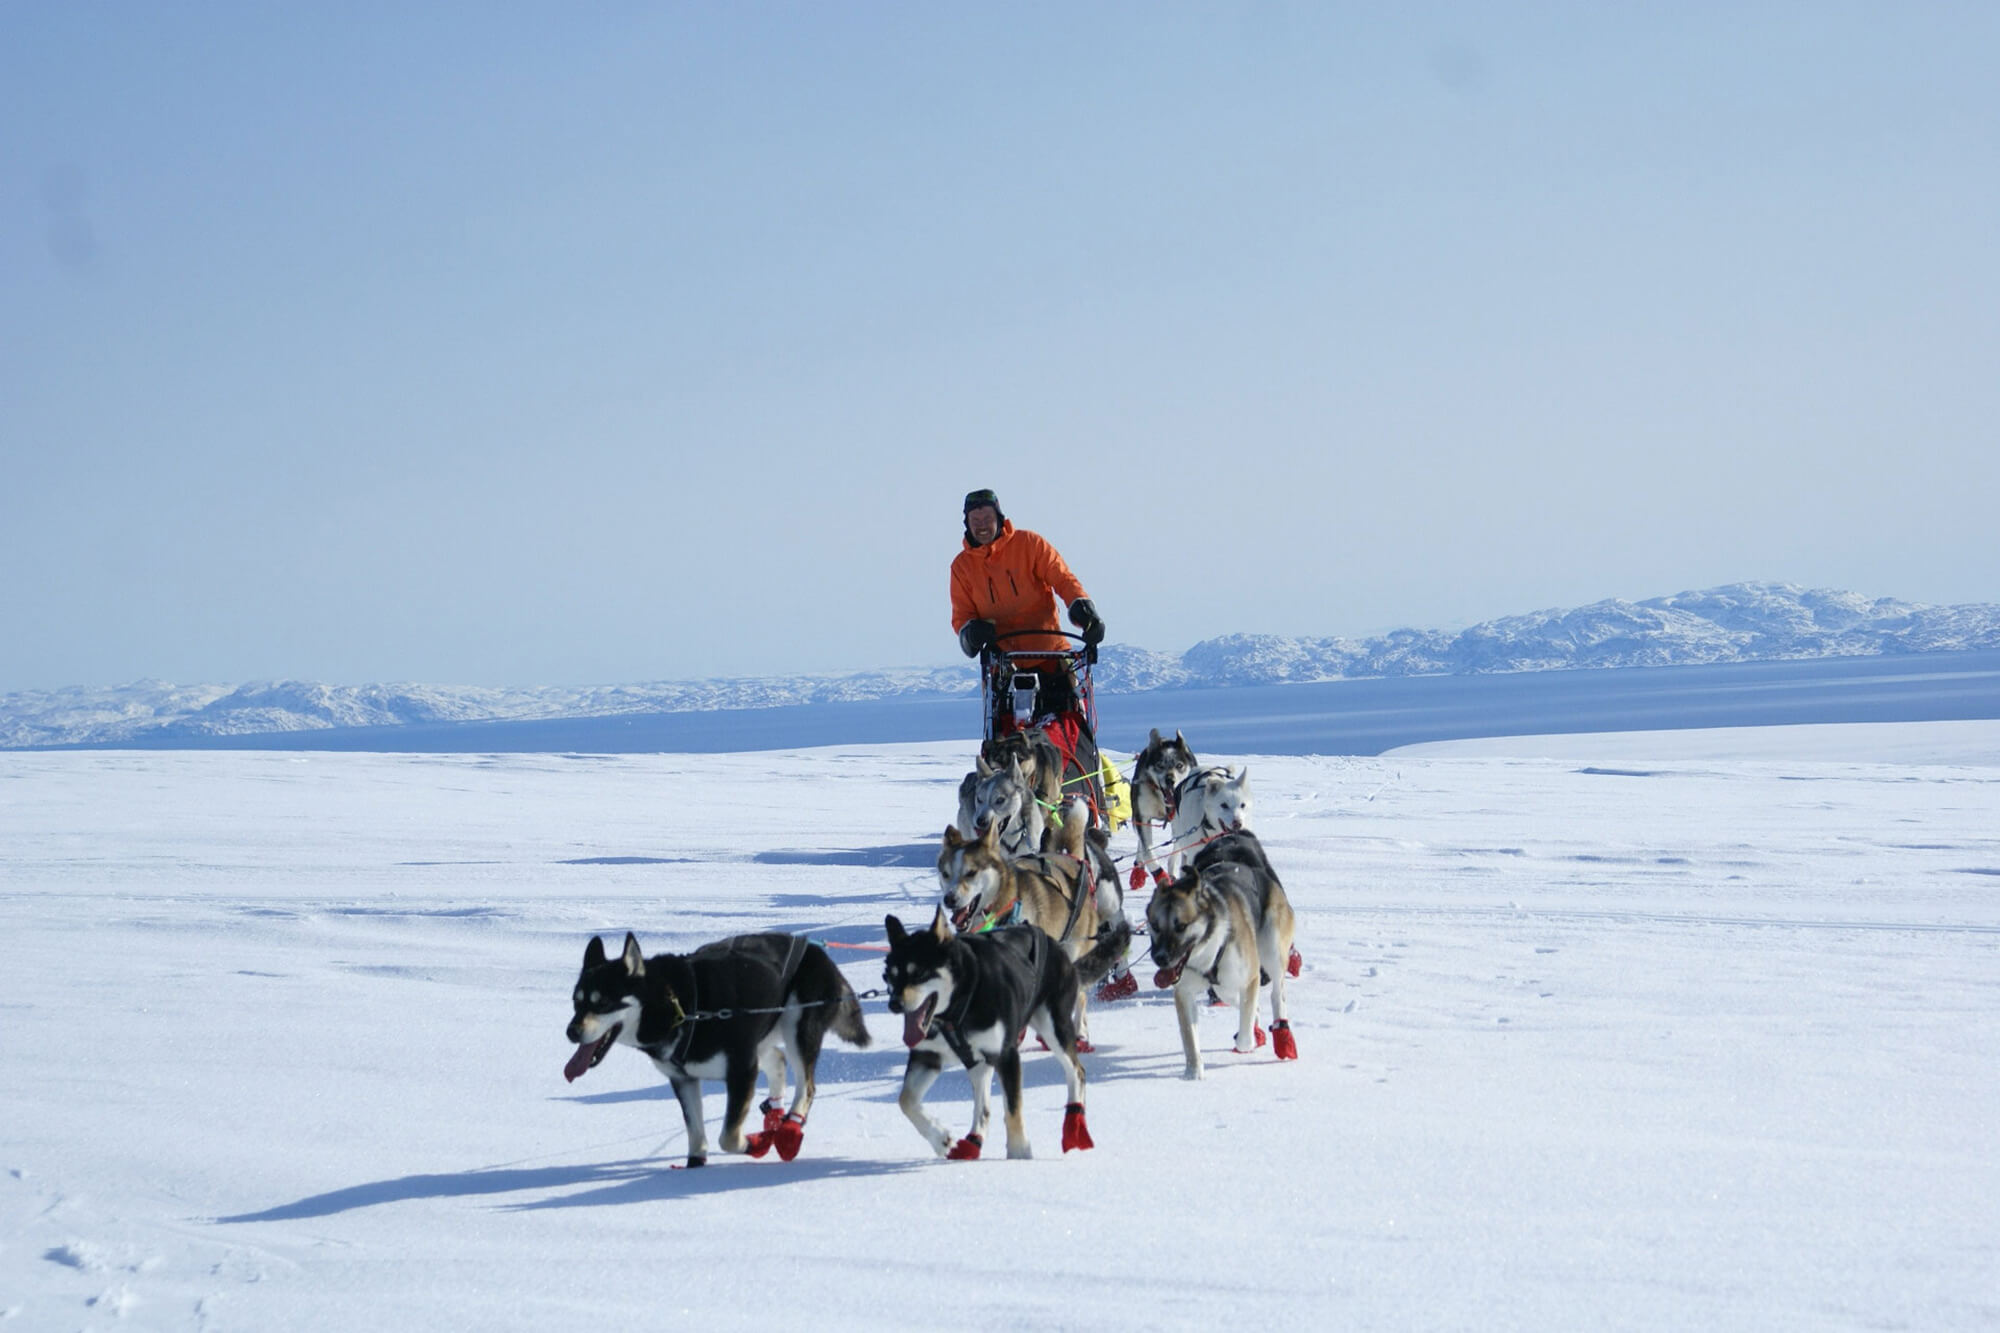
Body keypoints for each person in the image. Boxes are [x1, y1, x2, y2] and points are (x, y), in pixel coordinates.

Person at [950, 488, 1105, 664]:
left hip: (1050, 653)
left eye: (987, 519)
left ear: (999, 518)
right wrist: (970, 632)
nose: (982, 526)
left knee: (1070, 689)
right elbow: (962, 614)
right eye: (975, 521)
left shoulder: (1030, 544)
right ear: (967, 524)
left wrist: (1082, 607)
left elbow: (1063, 579)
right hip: (1002, 663)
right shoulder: (961, 567)